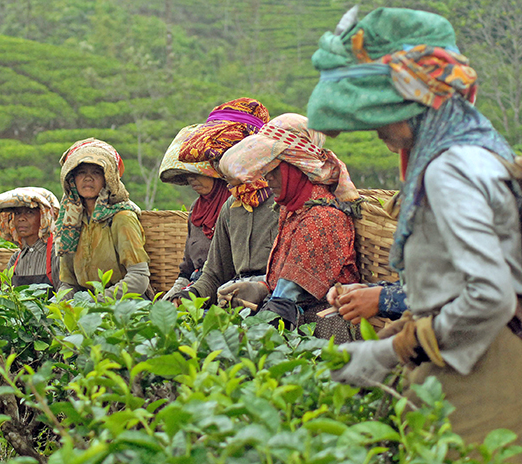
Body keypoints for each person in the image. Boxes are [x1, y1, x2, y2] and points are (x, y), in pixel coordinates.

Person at [306, 6, 522, 448]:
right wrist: (399, 334)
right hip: (462, 349)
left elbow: (490, 295)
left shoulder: (449, 168)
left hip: (481, 367)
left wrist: (388, 351)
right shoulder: (474, 150)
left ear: (413, 100)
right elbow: (449, 283)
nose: (376, 128)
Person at [218, 113, 361, 342]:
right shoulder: (294, 210)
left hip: (323, 334)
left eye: (275, 170)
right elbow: (282, 282)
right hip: (298, 323)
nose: (268, 178)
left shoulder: (323, 219)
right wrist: (259, 286)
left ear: (297, 168)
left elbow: (286, 297)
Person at [170, 98, 278, 306]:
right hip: (236, 307)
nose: (219, 168)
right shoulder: (232, 207)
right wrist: (185, 297)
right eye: (217, 160)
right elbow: (214, 274)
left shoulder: (283, 203)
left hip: (276, 306)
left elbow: (296, 279)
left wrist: (259, 288)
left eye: (225, 157)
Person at [54, 138, 151, 299]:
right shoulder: (70, 223)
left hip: (124, 305)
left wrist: (96, 303)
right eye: (81, 173)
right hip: (85, 305)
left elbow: (139, 278)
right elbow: (68, 283)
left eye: (96, 172)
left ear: (108, 179)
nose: (88, 178)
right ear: (72, 180)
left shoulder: (122, 218)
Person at [158, 124, 231, 300]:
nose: (192, 178)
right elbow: (187, 270)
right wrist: (168, 300)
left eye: (197, 172)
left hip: (224, 293)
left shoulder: (233, 207)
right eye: (188, 174)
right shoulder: (196, 210)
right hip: (194, 290)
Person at [0, 187, 61, 288]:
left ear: (43, 217)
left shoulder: (56, 253)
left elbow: (65, 292)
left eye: (29, 212)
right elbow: (8, 292)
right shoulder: (16, 259)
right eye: (17, 213)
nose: (21, 218)